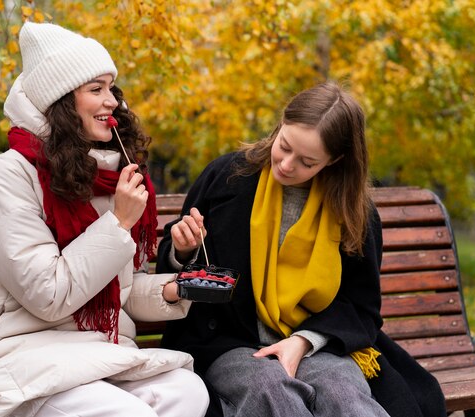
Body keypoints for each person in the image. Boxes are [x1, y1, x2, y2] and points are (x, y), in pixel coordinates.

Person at [0, 22, 209, 417]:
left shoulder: (104, 172)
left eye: (111, 89)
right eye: (95, 90)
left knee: (188, 392)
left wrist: (174, 290)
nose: (113, 103)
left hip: (98, 351)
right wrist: (118, 223)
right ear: (62, 101)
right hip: (22, 353)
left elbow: (116, 292)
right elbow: (49, 296)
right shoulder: (10, 175)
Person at [156, 82, 446, 417]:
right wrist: (181, 249)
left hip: (315, 343)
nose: (287, 165)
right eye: (284, 146)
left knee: (344, 395)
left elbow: (360, 306)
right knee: (271, 390)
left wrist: (304, 341)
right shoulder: (227, 177)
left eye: (307, 161)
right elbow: (174, 271)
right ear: (280, 124)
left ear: (334, 160)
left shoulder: (354, 213)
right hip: (227, 341)